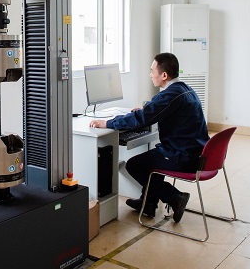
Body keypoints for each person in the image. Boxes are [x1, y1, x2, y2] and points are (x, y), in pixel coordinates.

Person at [89, 53, 209, 222]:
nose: (150, 74)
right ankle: (149, 203)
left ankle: (175, 197)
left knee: (134, 165)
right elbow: (155, 111)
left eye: (152, 71)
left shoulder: (170, 95)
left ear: (164, 75)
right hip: (195, 152)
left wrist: (108, 123)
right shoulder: (184, 89)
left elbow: (141, 119)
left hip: (183, 156)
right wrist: (146, 110)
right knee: (154, 158)